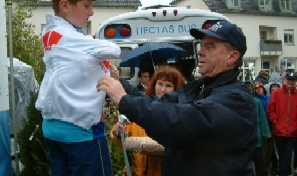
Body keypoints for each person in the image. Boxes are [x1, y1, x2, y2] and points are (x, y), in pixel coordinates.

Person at [97, 20, 257, 176]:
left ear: (232, 57)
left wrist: (124, 100)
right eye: (201, 45)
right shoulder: (201, 88)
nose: (200, 51)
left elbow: (180, 122)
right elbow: (158, 104)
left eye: (210, 46)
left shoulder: (237, 100)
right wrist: (120, 84)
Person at [35, 0, 121, 176]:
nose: (91, 12)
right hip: (82, 130)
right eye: (86, 5)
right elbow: (113, 49)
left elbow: (76, 67)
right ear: (64, 5)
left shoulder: (52, 34)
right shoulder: (70, 37)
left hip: (54, 129)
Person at [110, 66, 186, 176]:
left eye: (168, 86)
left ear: (176, 89)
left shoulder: (179, 114)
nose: (163, 89)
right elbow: (120, 142)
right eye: (160, 84)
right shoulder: (142, 106)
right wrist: (118, 133)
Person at [267, 73, 297, 176]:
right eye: (289, 79)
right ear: (285, 79)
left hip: (293, 131)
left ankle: (283, 172)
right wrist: (276, 123)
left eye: (293, 80)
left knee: (287, 153)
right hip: (279, 131)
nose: (291, 82)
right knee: (281, 154)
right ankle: (286, 171)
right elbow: (271, 110)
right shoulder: (277, 93)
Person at [244, 81, 271, 176]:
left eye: (250, 90)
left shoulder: (257, 102)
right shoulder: (239, 103)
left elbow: (262, 119)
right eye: (247, 89)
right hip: (244, 140)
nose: (249, 91)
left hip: (256, 138)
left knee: (260, 163)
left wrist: (266, 133)